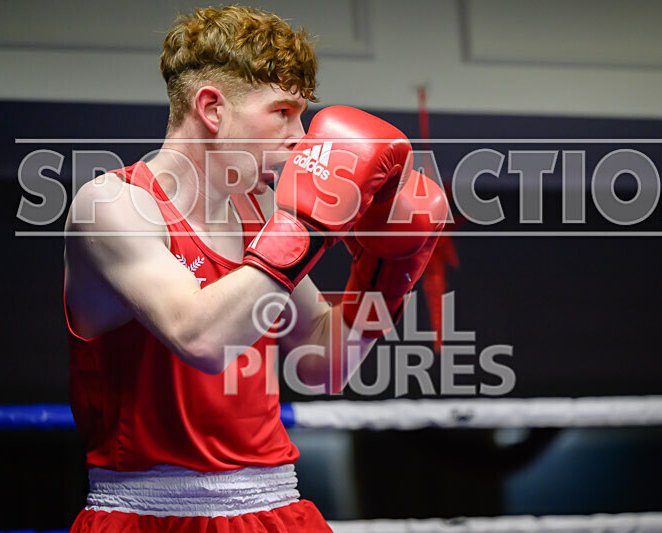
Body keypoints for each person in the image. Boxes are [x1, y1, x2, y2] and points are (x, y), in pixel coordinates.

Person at [63, 5, 445, 532]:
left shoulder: (256, 214)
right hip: (150, 514)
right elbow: (199, 338)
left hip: (276, 509)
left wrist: (385, 273)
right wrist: (307, 227)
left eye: (304, 114)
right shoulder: (111, 205)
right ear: (212, 109)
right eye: (283, 112)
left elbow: (325, 362)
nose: (302, 135)